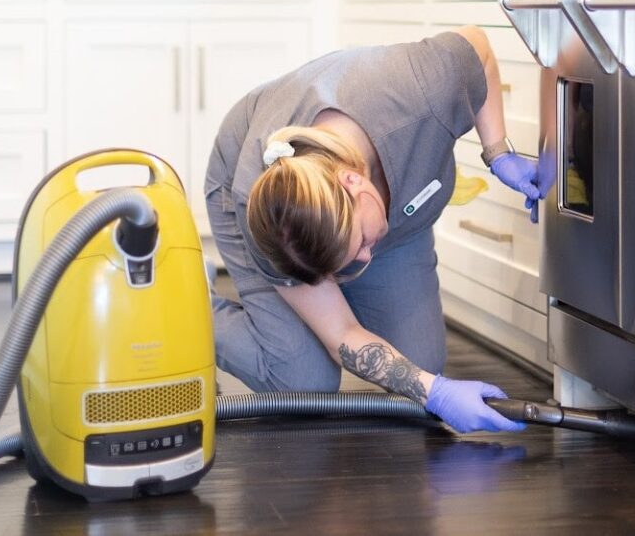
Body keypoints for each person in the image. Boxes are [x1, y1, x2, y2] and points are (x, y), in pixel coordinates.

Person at [204, 26, 540, 433]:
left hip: (393, 210)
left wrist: (498, 151)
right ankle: (191, 309)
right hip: (243, 178)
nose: (365, 261)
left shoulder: (423, 86)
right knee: (302, 383)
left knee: (420, 365)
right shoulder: (275, 225)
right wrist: (435, 394)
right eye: (350, 259)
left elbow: (479, 47)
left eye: (360, 245)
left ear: (353, 181)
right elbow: (341, 333)